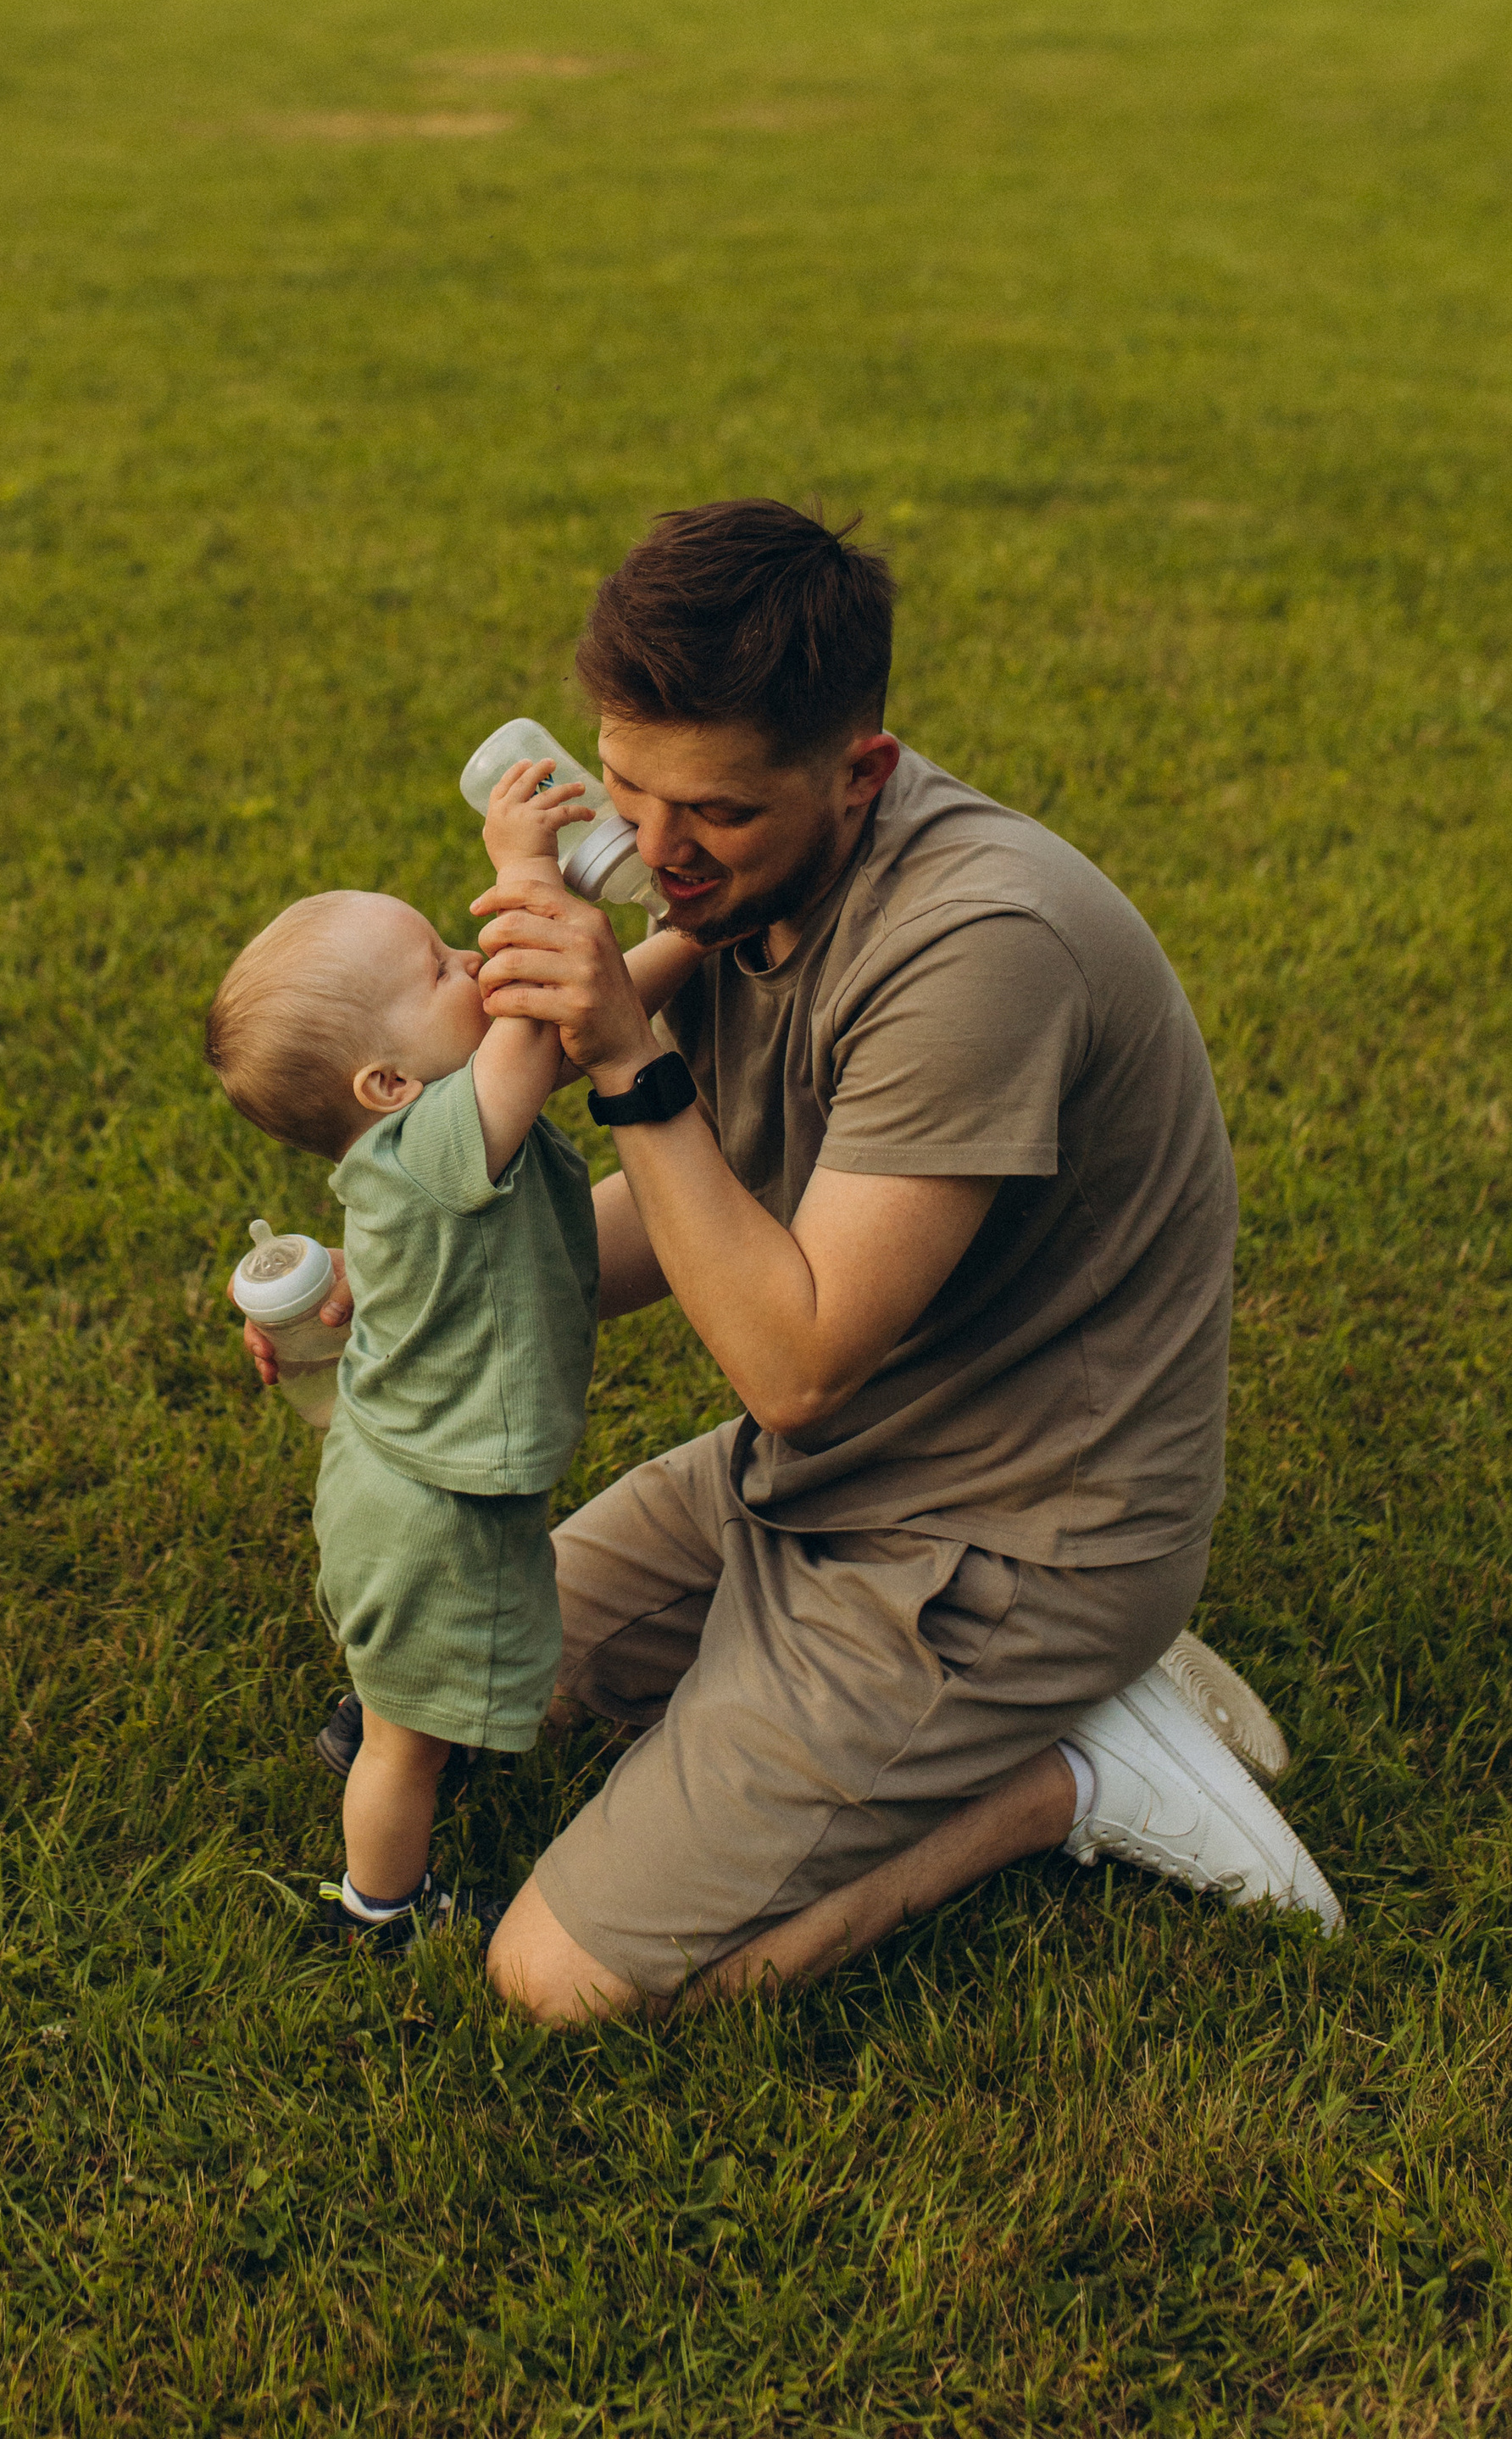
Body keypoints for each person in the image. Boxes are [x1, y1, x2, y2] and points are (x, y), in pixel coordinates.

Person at [246, 502, 1339, 2016]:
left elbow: (794, 1362)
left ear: (860, 774)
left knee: (555, 1981)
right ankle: (877, 1715)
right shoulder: (737, 883)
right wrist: (407, 1285)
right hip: (821, 1471)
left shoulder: (977, 950)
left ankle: (1071, 1774)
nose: (653, 852)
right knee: (483, 1677)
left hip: (1010, 1536)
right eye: (629, 787)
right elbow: (691, 1221)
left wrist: (625, 1059)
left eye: (713, 811)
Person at [206, 757, 702, 1942]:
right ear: (386, 1083)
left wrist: (692, 934)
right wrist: (528, 870)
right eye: (438, 967)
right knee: (407, 1748)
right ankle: (380, 1908)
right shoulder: (440, 1139)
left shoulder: (441, 1129)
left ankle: (385, 1715)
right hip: (432, 1507)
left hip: (401, 1478)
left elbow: (595, 1013)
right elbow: (536, 1027)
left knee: (414, 1698)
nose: (474, 959)